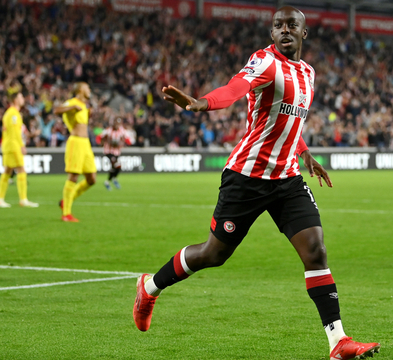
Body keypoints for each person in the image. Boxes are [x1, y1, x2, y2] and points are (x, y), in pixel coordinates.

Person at [132, 7, 380, 360]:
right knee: (212, 254)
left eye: (292, 25)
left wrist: (305, 152)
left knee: (316, 251)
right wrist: (201, 103)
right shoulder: (264, 62)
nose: (284, 31)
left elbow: (287, 121)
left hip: (287, 178)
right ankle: (150, 286)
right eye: (278, 25)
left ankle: (338, 342)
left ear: (304, 33)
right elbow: (235, 89)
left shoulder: (308, 73)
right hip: (247, 177)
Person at [54, 82, 97, 222]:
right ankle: (66, 213)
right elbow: (57, 110)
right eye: (87, 87)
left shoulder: (85, 106)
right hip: (76, 142)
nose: (89, 89)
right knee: (73, 176)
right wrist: (73, 107)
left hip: (86, 144)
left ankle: (66, 201)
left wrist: (89, 114)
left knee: (91, 179)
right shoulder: (72, 102)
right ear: (80, 89)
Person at [0, 92, 38, 208]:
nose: (23, 99)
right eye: (21, 97)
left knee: (7, 171)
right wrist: (21, 145)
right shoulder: (13, 114)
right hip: (13, 145)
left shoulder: (12, 113)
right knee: (21, 169)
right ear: (15, 100)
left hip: (9, 145)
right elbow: (14, 133)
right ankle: (23, 199)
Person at [96, 117, 133, 190]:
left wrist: (125, 142)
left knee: (117, 167)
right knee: (115, 163)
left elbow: (129, 140)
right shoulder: (108, 130)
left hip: (116, 152)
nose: (117, 125)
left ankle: (110, 180)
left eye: (118, 123)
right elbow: (99, 137)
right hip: (108, 151)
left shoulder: (122, 131)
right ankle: (111, 180)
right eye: (116, 123)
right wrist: (100, 143)